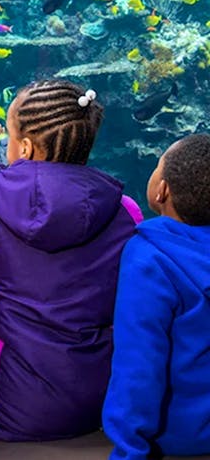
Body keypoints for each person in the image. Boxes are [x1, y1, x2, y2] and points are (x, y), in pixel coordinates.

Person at [0, 80, 143, 442]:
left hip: (3, 410)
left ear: (26, 147)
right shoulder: (127, 212)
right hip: (99, 403)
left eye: (11, 137)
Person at [103, 133, 210, 459]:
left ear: (161, 190)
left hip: (180, 436)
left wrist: (128, 451)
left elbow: (139, 363)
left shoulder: (150, 257)